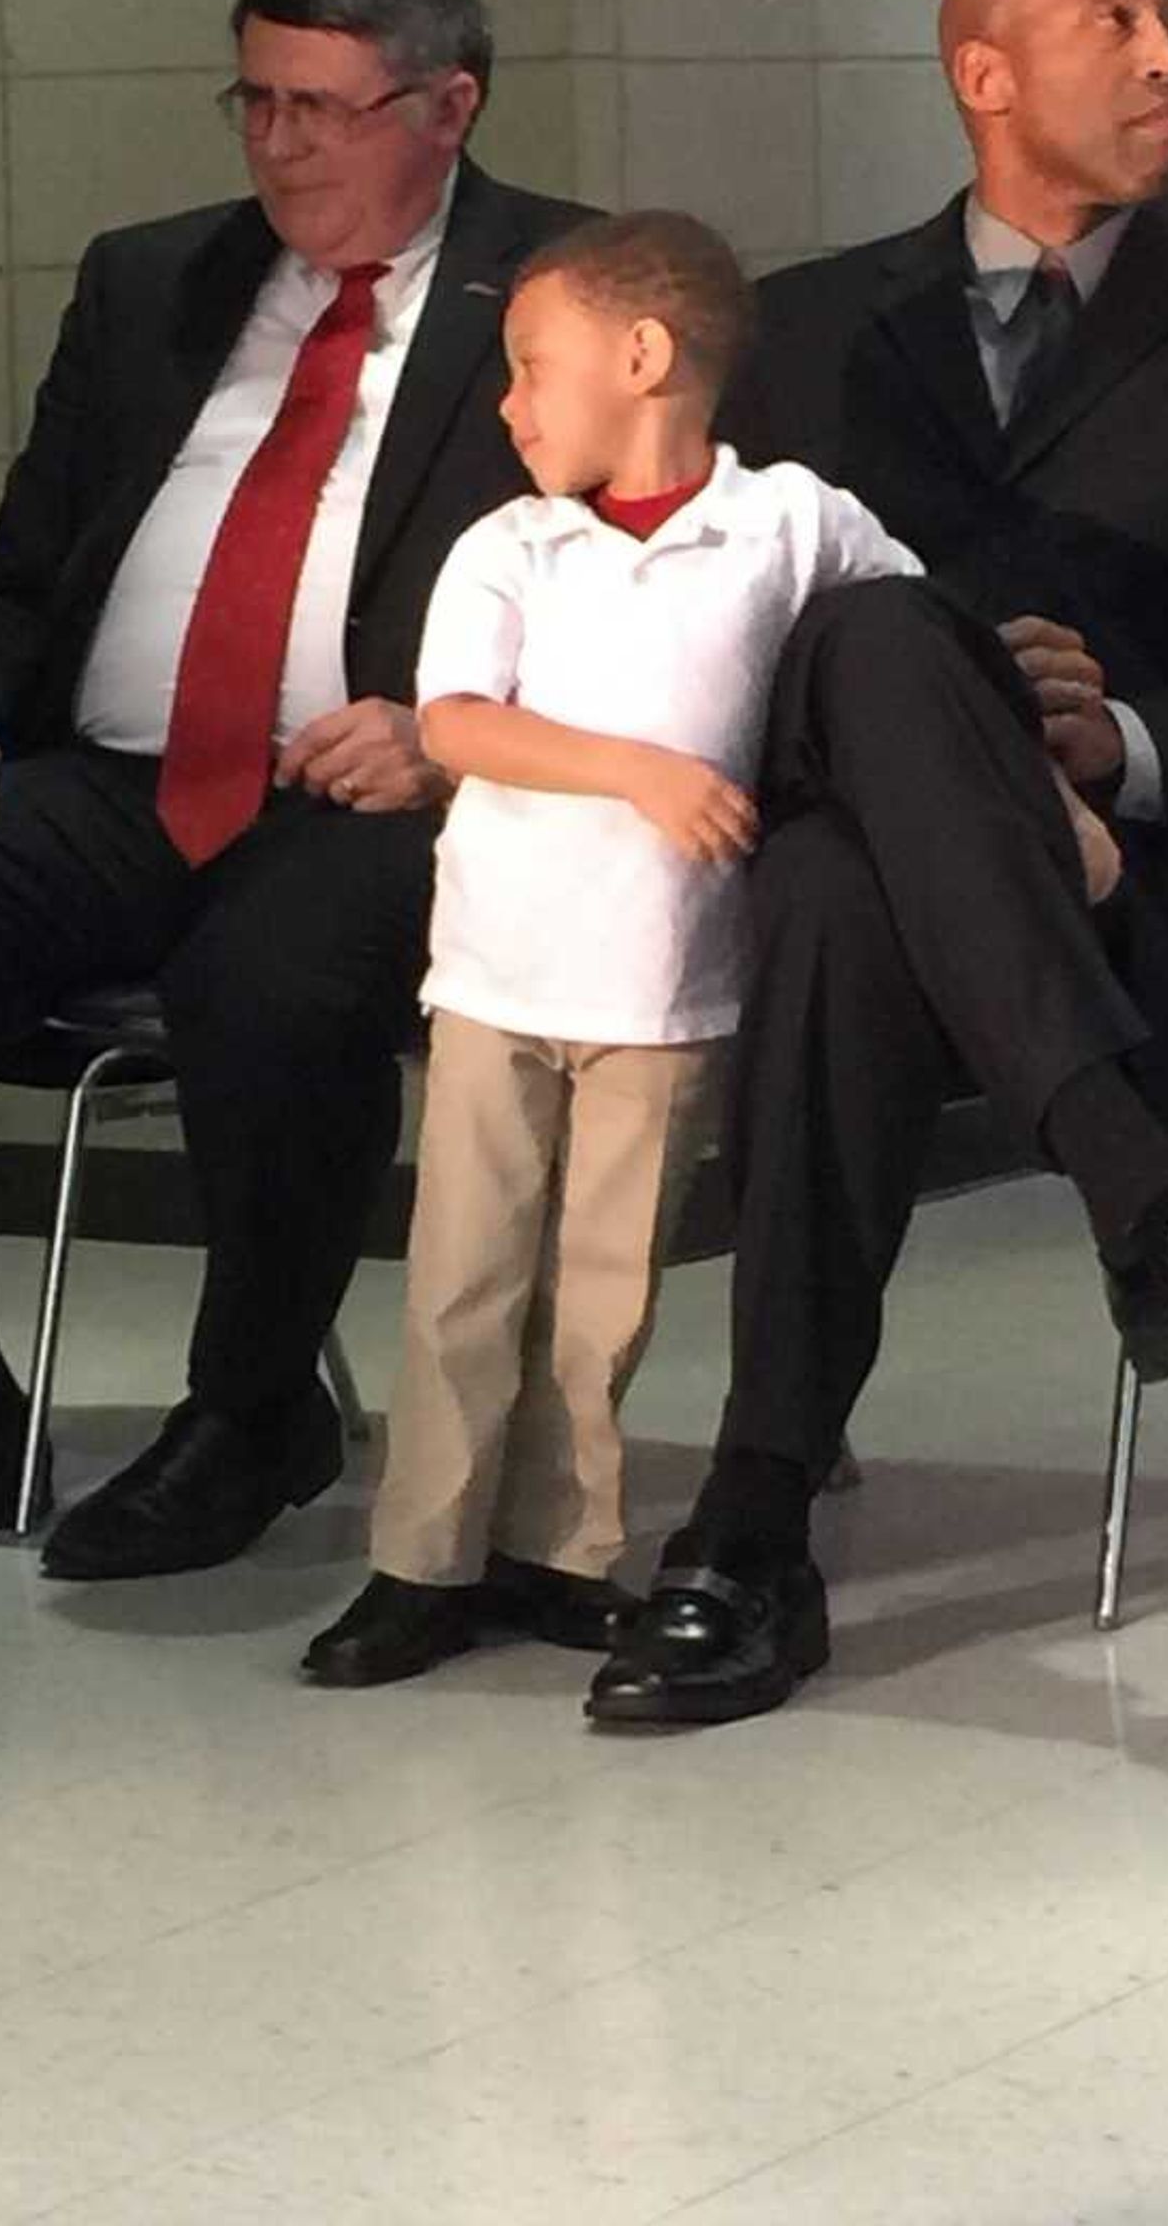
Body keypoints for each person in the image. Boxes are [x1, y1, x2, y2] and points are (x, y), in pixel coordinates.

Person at [587, 0, 1168, 1729]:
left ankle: (752, 1528)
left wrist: (1113, 756)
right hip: (857, 882)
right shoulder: (792, 335)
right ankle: (1147, 1204)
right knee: (866, 676)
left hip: (1128, 912)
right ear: (985, 76)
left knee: (836, 884)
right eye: (1121, 20)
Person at [0, 0, 590, 1580]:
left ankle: (251, 1408)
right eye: (254, 102)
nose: (278, 146)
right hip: (118, 787)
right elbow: (18, 568)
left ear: (448, 105)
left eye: (322, 109)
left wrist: (448, 734)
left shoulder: (573, 288)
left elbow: (652, 588)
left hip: (386, 795)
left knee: (267, 979)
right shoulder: (153, 279)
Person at [302, 211, 947, 1685]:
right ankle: (422, 1558)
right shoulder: (510, 546)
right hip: (499, 977)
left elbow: (916, 643)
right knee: (466, 1273)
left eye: (534, 366)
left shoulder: (790, 525)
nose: (511, 404)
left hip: (663, 992)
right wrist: (641, 773)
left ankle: (562, 1545)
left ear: (645, 358)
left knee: (605, 1288)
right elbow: (458, 722)